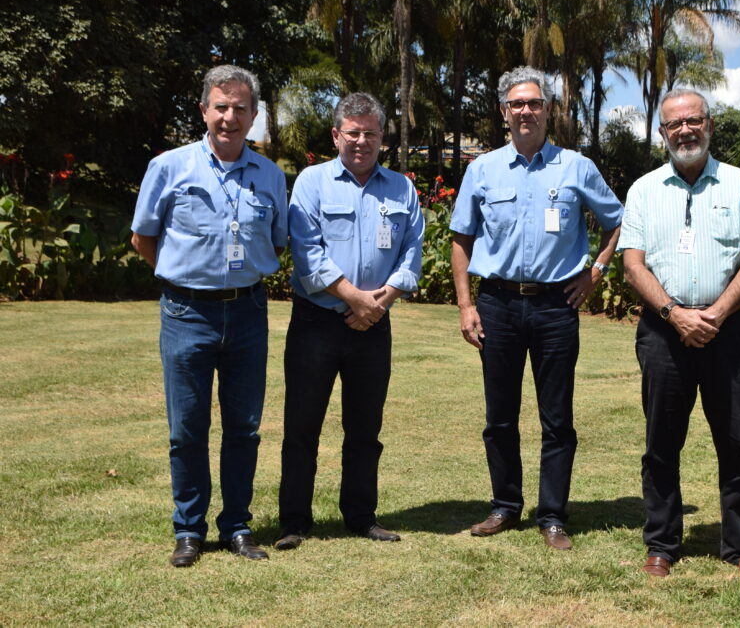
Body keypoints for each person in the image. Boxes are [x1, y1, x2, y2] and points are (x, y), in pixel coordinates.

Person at [450, 66, 622, 550]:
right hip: (498, 304)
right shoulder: (481, 170)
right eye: (517, 104)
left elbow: (618, 223)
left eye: (535, 103)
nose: (526, 111)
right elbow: (461, 240)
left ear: (549, 110)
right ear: (504, 112)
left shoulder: (576, 167)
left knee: (557, 418)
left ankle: (552, 515)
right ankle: (505, 506)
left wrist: (597, 271)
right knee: (499, 416)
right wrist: (466, 306)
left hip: (554, 308)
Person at [131, 65, 288, 567]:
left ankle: (238, 527)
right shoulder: (168, 167)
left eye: (241, 108)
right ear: (204, 110)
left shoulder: (270, 176)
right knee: (187, 429)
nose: (230, 117)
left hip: (248, 312)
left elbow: (278, 241)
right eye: (221, 106)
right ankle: (189, 530)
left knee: (243, 427)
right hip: (186, 313)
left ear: (254, 115)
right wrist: (183, 278)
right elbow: (143, 238)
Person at [620, 88, 740, 583]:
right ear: (662, 133)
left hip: (727, 335)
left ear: (709, 124)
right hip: (663, 335)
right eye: (674, 125)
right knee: (661, 442)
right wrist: (674, 314)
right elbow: (632, 264)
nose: (684, 130)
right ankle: (661, 544)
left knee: (737, 440)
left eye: (693, 120)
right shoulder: (644, 190)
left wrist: (714, 315)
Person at [274, 92, 424, 550]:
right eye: (353, 132)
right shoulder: (312, 182)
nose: (362, 141)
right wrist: (356, 299)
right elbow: (307, 253)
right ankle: (295, 521)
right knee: (302, 426)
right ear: (336, 135)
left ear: (383, 138)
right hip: (316, 323)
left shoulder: (402, 188)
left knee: (365, 429)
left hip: (374, 327)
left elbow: (412, 254)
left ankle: (361, 515)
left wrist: (379, 302)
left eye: (370, 134)